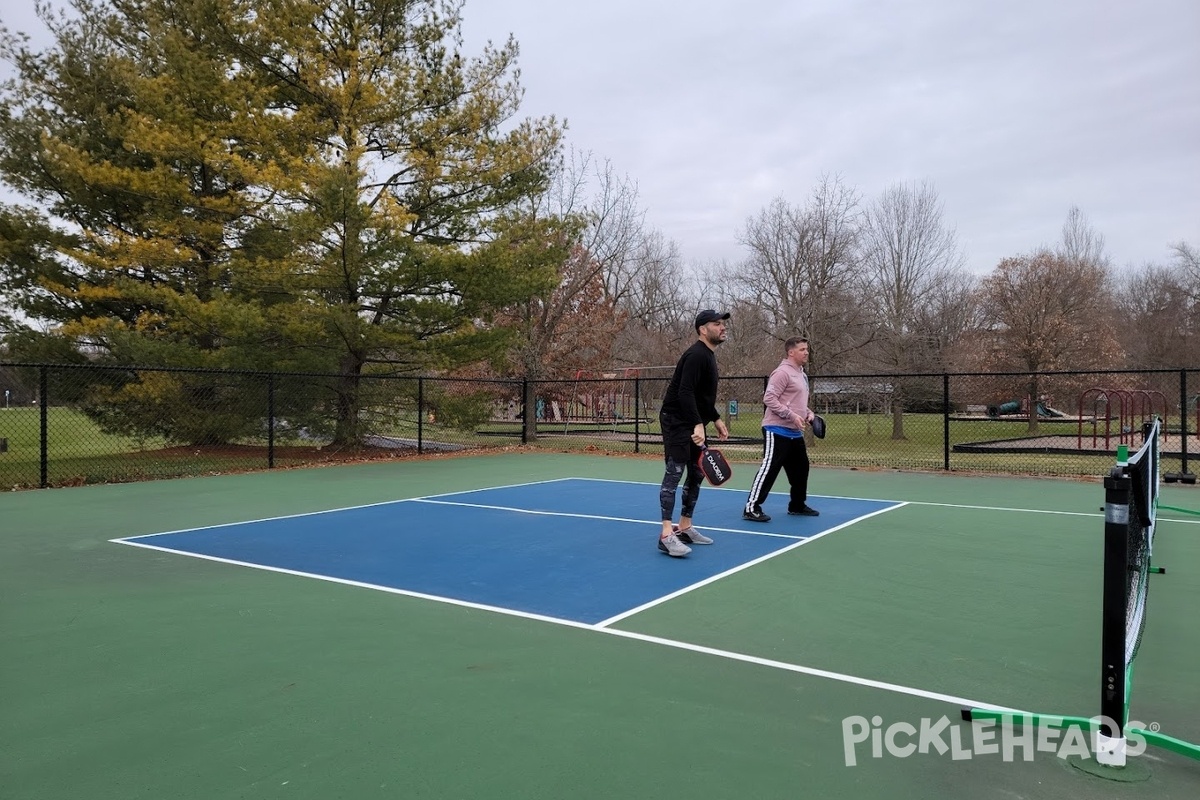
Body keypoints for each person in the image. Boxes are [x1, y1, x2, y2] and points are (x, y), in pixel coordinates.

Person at [656, 309, 732, 557]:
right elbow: (685, 393)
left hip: (691, 419)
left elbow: (701, 397)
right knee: (675, 472)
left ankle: (685, 526)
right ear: (702, 329)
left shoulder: (708, 356)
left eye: (723, 324)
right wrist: (697, 424)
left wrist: (716, 418)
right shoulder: (696, 355)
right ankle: (666, 534)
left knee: (698, 472)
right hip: (676, 421)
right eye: (716, 323)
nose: (722, 327)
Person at [743, 337, 820, 522]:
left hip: (795, 433)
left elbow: (798, 404)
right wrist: (791, 415)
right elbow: (769, 399)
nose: (806, 352)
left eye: (807, 349)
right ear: (791, 352)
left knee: (802, 468)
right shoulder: (781, 373)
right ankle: (751, 508)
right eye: (802, 349)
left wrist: (808, 414)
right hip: (776, 429)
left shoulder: (802, 374)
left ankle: (797, 505)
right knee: (770, 469)